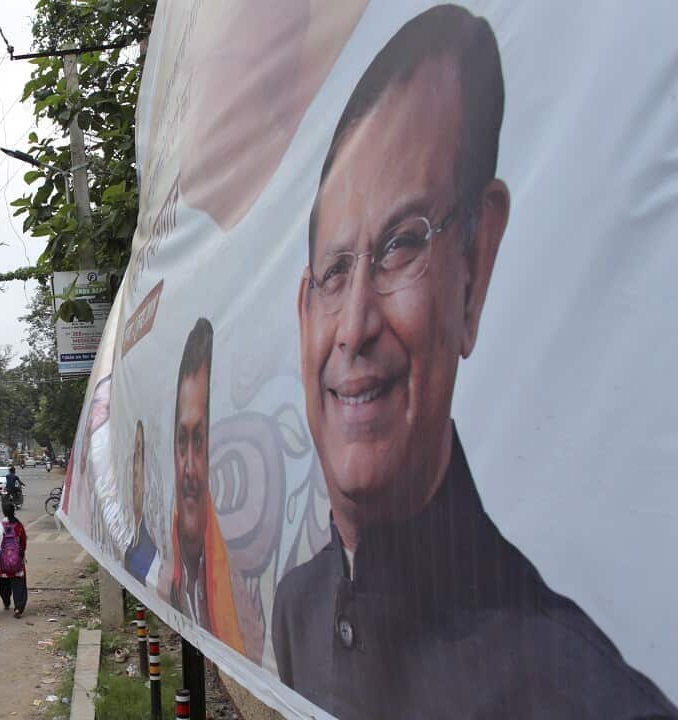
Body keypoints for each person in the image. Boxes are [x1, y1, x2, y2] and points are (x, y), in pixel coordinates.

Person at [275, 6, 677, 718]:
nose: (356, 328)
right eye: (335, 272)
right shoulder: (298, 609)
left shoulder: (580, 693)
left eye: (402, 243)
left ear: (474, 267)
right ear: (305, 309)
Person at [165, 318, 244, 654]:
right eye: (182, 440)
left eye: (200, 440)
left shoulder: (241, 600)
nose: (188, 467)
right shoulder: (167, 575)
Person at [123, 420, 157, 585]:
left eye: (140, 456)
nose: (136, 471)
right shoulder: (127, 538)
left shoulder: (152, 550)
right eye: (134, 458)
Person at [0, 501, 28, 618]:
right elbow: (23, 543)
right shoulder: (19, 526)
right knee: (19, 585)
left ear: (3, 512)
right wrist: (21, 555)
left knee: (3, 585)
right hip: (17, 563)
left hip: (3, 564)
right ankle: (18, 608)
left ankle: (6, 602)